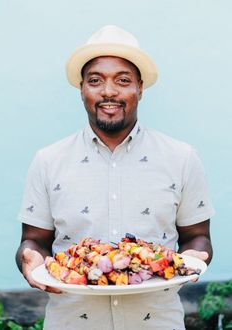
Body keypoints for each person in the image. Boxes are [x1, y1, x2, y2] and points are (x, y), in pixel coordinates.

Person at [16, 25, 215, 330]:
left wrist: (190, 259)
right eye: (95, 81)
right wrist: (30, 261)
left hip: (158, 322)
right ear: (82, 88)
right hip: (72, 322)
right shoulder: (48, 161)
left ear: (140, 89)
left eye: (123, 81)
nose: (109, 91)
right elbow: (33, 240)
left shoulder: (181, 157)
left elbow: (197, 236)